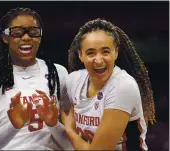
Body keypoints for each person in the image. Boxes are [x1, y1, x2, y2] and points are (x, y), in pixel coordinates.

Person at [0, 7, 72, 150]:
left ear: (40, 36)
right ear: (5, 37)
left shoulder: (58, 72)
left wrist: (53, 124)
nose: (26, 37)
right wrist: (14, 126)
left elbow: (72, 144)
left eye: (34, 32)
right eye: (17, 33)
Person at [60, 18, 156, 150]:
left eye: (105, 51)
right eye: (90, 53)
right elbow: (64, 112)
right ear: (80, 55)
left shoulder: (123, 86)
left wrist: (70, 130)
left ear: (115, 52)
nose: (98, 60)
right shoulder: (73, 80)